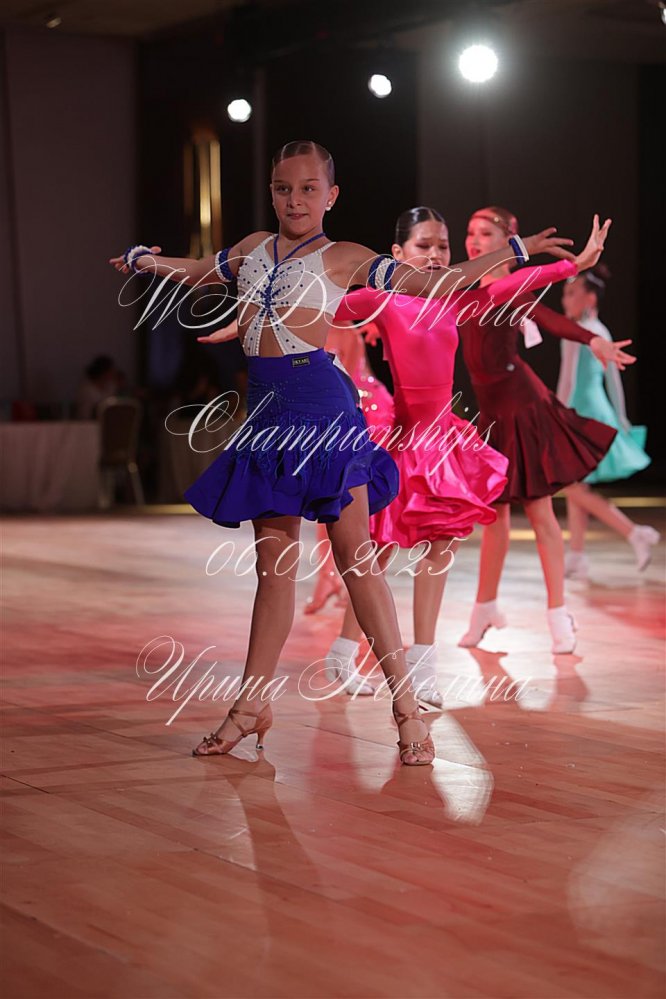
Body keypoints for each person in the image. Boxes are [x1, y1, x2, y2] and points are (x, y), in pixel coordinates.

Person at [110, 140, 579, 765]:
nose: (294, 200)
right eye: (283, 188)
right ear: (272, 191)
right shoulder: (251, 248)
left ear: (330, 196)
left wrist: (513, 252)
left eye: (308, 189)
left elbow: (436, 282)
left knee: (357, 559)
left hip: (324, 413)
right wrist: (146, 260)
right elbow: (200, 269)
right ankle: (251, 706)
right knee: (272, 569)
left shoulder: (345, 257)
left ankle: (407, 710)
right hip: (268, 417)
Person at [321, 207, 620, 706]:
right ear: (397, 254)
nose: (436, 255)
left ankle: (422, 664)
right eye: (423, 245)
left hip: (445, 442)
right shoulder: (382, 299)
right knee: (379, 553)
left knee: (439, 550)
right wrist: (255, 318)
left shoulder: (457, 299)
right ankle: (343, 650)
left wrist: (574, 264)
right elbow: (319, 307)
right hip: (406, 441)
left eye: (442, 245)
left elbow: (516, 285)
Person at [455, 207, 635, 654]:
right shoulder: (462, 288)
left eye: (485, 233)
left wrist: (592, 339)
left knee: (539, 512)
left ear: (509, 241)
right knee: (494, 517)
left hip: (524, 410)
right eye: (471, 233)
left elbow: (551, 320)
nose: (474, 241)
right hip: (492, 417)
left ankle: (558, 614)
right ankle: (484, 609)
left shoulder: (511, 286)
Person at [557, 265, 659, 575]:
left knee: (571, 485)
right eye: (564, 294)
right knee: (578, 484)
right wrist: (621, 417)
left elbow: (568, 381)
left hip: (580, 412)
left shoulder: (576, 333)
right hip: (599, 411)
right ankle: (576, 555)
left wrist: (556, 414)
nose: (565, 300)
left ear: (590, 298)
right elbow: (614, 382)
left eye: (571, 293)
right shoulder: (602, 331)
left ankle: (633, 532)